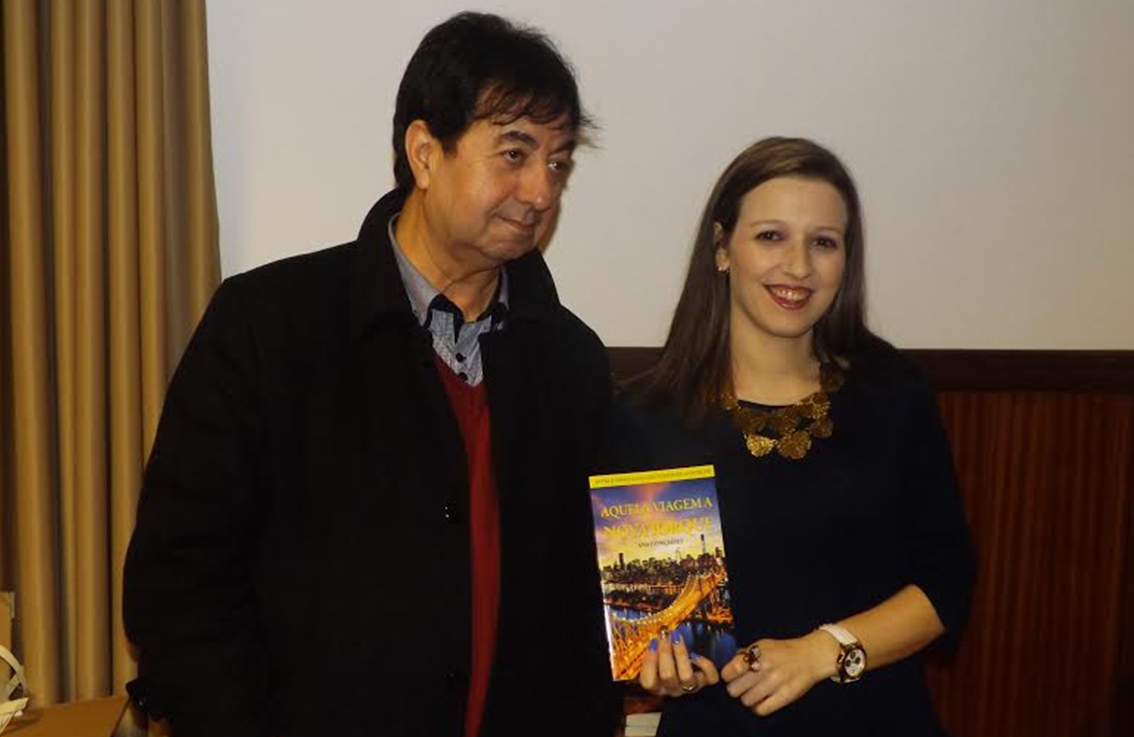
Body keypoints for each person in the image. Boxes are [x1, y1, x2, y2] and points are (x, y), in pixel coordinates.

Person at [123, 12, 619, 737]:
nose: (541, 191)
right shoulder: (268, 325)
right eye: (515, 153)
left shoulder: (570, 361)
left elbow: (585, 599)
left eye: (558, 162)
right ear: (425, 153)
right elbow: (179, 583)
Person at [607, 137, 975, 735]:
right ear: (722, 248)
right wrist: (666, 670)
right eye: (771, 236)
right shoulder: (646, 416)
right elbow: (662, 636)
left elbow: (946, 586)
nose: (799, 267)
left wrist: (822, 651)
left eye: (823, 242)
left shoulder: (893, 394)